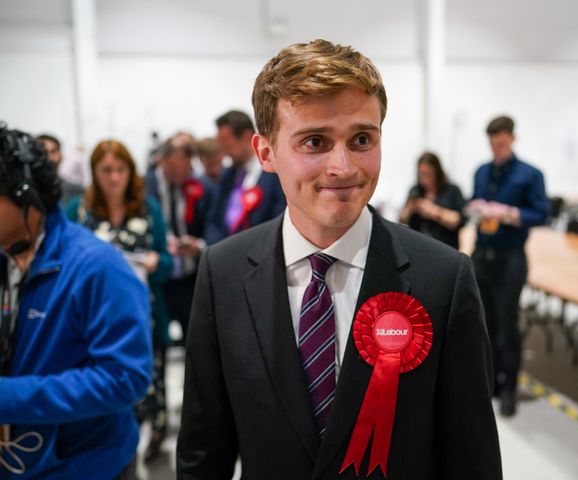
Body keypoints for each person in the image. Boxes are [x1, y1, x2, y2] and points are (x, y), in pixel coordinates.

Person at [177, 40, 501, 479]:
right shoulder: (224, 273)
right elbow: (204, 449)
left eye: (362, 139)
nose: (343, 166)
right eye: (315, 142)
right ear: (266, 152)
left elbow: (471, 458)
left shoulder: (444, 278)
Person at [0, 124, 152, 479]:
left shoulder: (98, 267)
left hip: (86, 465)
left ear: (27, 197)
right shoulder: (6, 254)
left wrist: (8, 398)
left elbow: (125, 377)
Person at [65, 140, 173, 463]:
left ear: (131, 171)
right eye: (106, 170)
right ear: (94, 174)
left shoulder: (147, 207)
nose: (114, 178)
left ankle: (155, 435)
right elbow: (66, 263)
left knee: (153, 383)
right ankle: (115, 447)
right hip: (96, 318)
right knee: (108, 388)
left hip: (146, 313)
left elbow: (168, 263)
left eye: (121, 169)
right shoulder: (78, 210)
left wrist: (157, 262)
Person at [466, 115, 549, 417]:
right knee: (484, 325)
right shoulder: (481, 171)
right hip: (482, 256)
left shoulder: (530, 174)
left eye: (501, 141)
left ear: (512, 138)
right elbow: (473, 201)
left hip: (510, 258)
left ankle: (510, 389)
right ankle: (490, 384)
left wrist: (511, 213)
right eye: (492, 142)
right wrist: (474, 208)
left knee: (507, 325)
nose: (497, 147)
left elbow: (542, 213)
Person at [145, 136, 216, 346]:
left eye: (185, 169)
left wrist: (199, 244)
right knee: (159, 339)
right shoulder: (144, 188)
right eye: (174, 168)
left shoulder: (201, 186)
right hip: (159, 276)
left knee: (196, 339)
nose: (180, 174)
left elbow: (213, 222)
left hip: (189, 274)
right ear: (162, 160)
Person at [210, 109, 286, 243]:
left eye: (227, 144)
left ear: (246, 137)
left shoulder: (274, 172)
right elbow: (215, 218)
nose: (224, 152)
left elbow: (279, 217)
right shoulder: (227, 175)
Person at [399, 152, 466, 249]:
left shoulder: (451, 191)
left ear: (436, 172)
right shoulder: (416, 191)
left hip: (445, 248)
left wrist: (433, 211)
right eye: (421, 174)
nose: (424, 179)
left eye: (427, 174)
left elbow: (459, 220)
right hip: (418, 248)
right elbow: (402, 220)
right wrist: (409, 209)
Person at [37, 133, 84, 206]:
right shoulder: (27, 192)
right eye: (44, 152)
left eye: (53, 152)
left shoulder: (76, 191)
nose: (49, 157)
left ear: (61, 155)